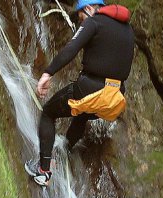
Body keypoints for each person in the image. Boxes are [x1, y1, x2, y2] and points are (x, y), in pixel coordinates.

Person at [25, 0, 134, 186]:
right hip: (115, 98)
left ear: (89, 8)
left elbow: (71, 49)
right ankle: (66, 147)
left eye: (81, 16)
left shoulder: (94, 21)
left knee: (48, 113)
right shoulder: (127, 30)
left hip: (92, 89)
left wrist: (48, 73)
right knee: (82, 113)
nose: (81, 21)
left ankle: (43, 171)